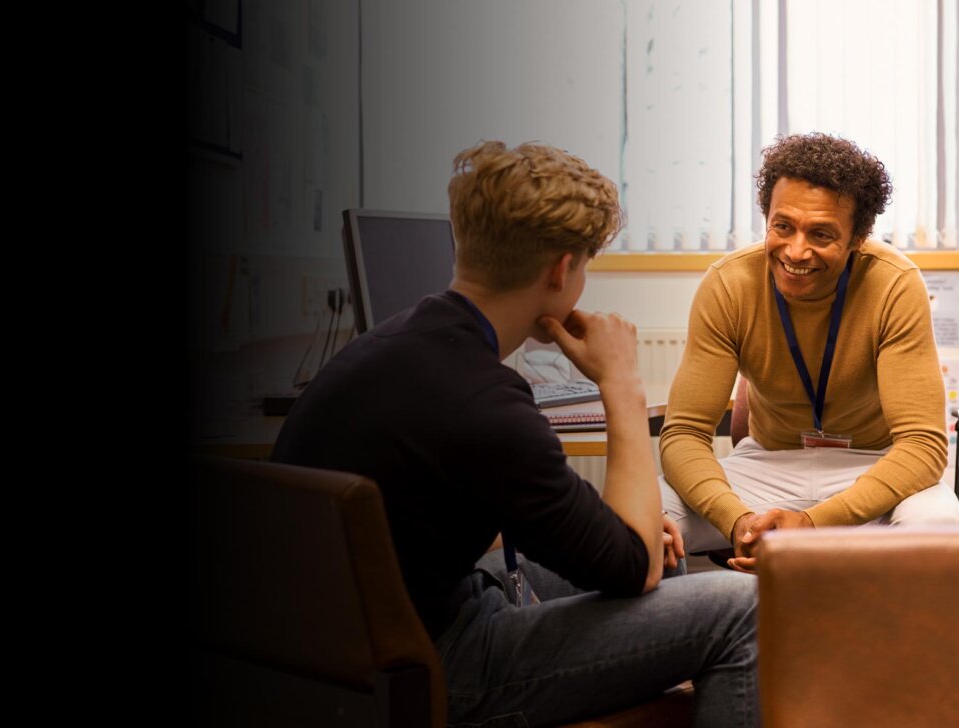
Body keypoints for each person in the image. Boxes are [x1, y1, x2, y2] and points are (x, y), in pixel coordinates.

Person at [272, 140, 759, 727]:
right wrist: (622, 386)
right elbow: (632, 568)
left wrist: (621, 537)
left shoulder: (384, 347)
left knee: (668, 555)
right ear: (562, 270)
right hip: (438, 663)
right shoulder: (486, 404)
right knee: (744, 607)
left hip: (339, 652)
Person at [659, 132, 959, 574]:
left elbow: (922, 446)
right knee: (643, 518)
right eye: (783, 226)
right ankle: (690, 638)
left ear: (858, 237)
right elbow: (684, 434)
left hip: (873, 465)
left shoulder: (895, 285)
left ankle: (891, 645)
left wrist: (814, 523)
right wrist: (739, 521)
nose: (796, 251)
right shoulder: (729, 285)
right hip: (767, 465)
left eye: (821, 233)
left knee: (937, 530)